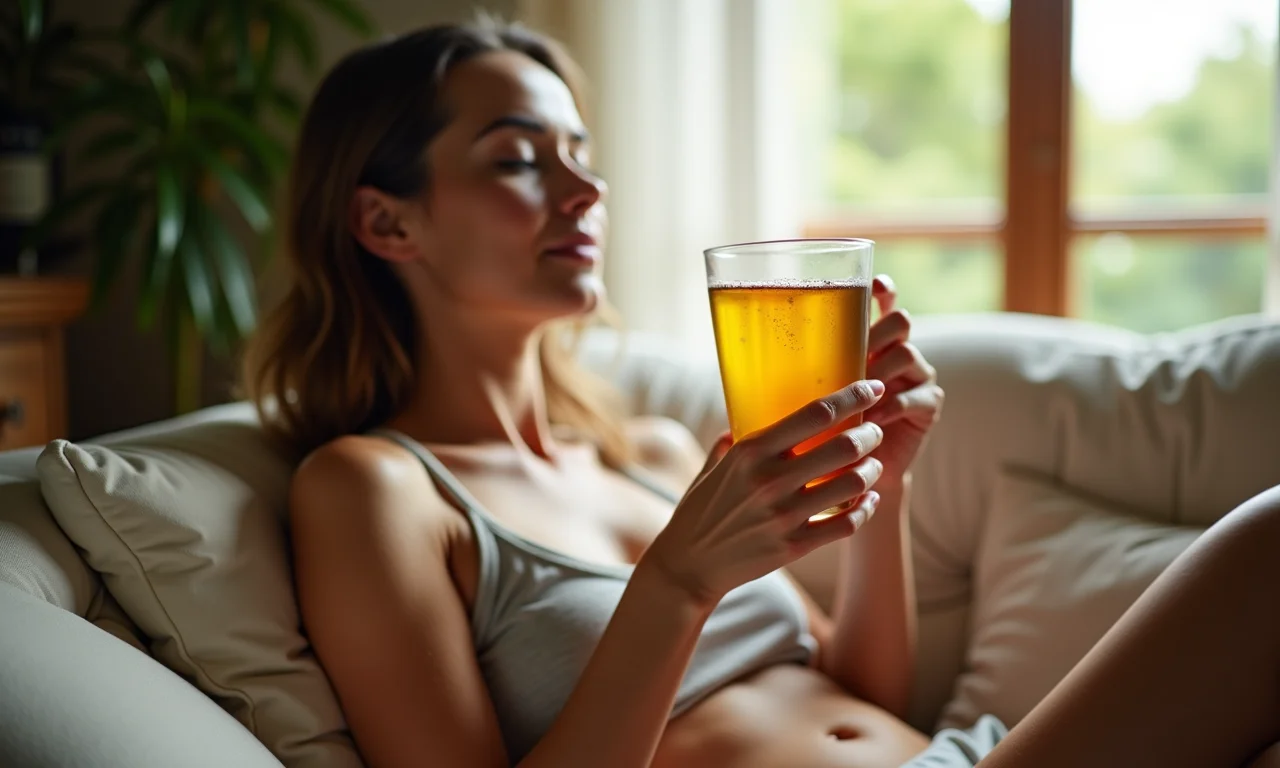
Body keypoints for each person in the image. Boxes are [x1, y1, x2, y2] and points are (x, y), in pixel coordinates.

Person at [240, 18, 1280, 768]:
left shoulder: (647, 452)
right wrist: (674, 585)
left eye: (580, 154)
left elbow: (855, 693)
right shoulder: (373, 491)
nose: (584, 190)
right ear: (387, 224)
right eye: (517, 159)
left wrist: (885, 487)